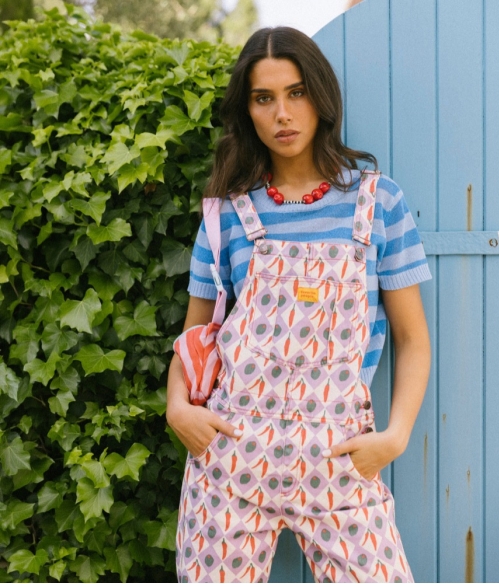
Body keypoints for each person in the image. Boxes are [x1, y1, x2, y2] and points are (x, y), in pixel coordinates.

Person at [166, 26, 432, 584]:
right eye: (263, 98)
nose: (282, 114)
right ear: (247, 111)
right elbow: (193, 337)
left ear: (320, 97)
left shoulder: (378, 202)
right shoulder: (226, 215)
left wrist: (395, 437)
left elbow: (412, 339)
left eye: (296, 92)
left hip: (340, 456)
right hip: (231, 457)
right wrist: (177, 408)